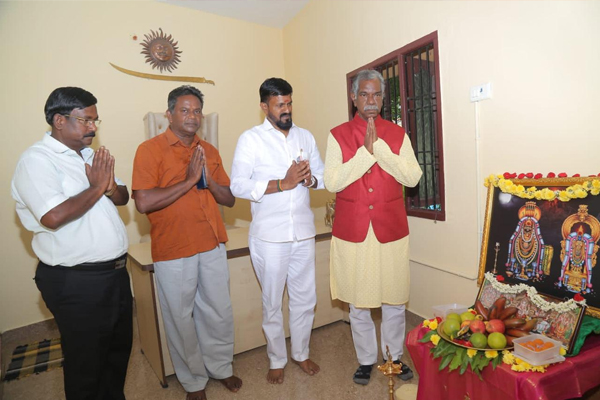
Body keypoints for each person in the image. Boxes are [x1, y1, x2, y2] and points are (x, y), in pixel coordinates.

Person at [11, 87, 132, 399]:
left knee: (116, 355)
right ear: (59, 120)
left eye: (95, 120)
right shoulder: (36, 160)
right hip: (77, 281)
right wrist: (96, 187)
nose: (93, 128)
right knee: (86, 365)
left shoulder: (90, 155)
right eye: (86, 120)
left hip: (115, 275)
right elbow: (52, 216)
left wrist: (109, 186)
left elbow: (123, 197)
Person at [132, 85, 242, 400]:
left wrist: (207, 177)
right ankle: (194, 381)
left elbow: (229, 198)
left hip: (211, 241)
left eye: (197, 111)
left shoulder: (209, 150)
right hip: (174, 247)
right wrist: (190, 180)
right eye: (184, 110)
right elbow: (143, 202)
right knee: (180, 317)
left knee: (219, 311)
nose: (192, 116)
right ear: (169, 114)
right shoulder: (150, 150)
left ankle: (221, 367)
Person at [324, 69, 423, 385]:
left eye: (376, 94)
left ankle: (393, 356)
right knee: (358, 302)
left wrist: (379, 149)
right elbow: (332, 181)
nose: (370, 100)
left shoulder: (397, 134)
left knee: (394, 299)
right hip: (353, 231)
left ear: (383, 98)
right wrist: (365, 154)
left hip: (389, 229)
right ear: (353, 97)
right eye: (364, 94)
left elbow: (412, 177)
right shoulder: (337, 135)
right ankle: (366, 359)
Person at [230, 78, 324, 384]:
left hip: (303, 232)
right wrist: (282, 183)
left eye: (289, 103)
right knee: (272, 302)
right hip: (270, 237)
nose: (286, 109)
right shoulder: (251, 139)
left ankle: (301, 353)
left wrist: (310, 180)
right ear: (264, 106)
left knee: (305, 299)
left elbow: (322, 176)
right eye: (279, 104)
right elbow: (238, 185)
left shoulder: (305, 136)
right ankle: (276, 359)